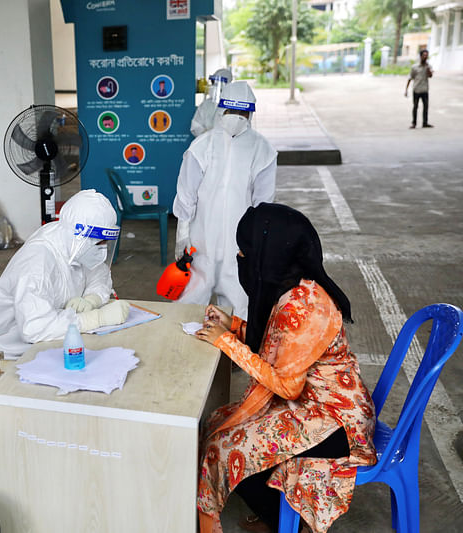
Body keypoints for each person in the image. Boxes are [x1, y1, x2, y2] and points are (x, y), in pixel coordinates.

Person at [193, 203, 376, 533]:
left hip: (336, 422)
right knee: (219, 423)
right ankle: (278, 517)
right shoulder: (293, 287)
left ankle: (284, 524)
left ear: (268, 255)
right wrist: (233, 326)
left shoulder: (303, 306)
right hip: (313, 406)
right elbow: (281, 345)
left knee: (224, 445)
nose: (240, 257)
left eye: (245, 251)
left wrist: (227, 343)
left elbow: (288, 385)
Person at [0, 189, 130, 368]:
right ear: (79, 236)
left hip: (46, 346)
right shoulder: (38, 261)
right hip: (5, 358)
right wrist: (95, 319)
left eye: (105, 243)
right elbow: (35, 328)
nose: (102, 248)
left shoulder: (73, 243)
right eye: (98, 243)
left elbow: (99, 274)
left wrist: (92, 299)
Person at [172, 81, 277, 319]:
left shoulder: (262, 150)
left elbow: (264, 204)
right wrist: (182, 234)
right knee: (189, 306)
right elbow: (186, 193)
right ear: (221, 110)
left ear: (250, 114)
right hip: (201, 242)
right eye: (233, 111)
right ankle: (184, 351)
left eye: (243, 113)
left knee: (238, 310)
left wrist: (258, 243)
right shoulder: (202, 146)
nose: (237, 118)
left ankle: (231, 355)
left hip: (239, 245)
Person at [191, 68, 233, 137]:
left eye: (216, 83)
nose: (213, 86)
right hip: (206, 144)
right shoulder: (206, 104)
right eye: (213, 82)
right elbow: (195, 126)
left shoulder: (233, 104)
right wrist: (207, 136)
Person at [405, 49, 433, 129]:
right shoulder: (414, 67)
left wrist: (428, 70)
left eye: (426, 55)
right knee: (415, 107)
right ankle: (414, 123)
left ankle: (425, 123)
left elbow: (430, 76)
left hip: (425, 90)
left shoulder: (428, 66)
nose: (425, 57)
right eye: (424, 55)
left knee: (426, 107)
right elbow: (410, 78)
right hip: (416, 90)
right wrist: (406, 90)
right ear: (421, 56)